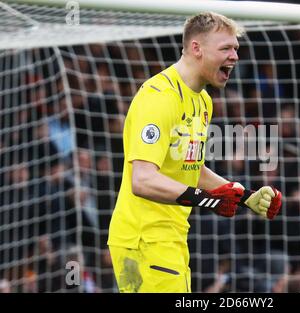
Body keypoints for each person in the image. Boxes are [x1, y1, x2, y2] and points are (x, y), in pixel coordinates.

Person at [107, 12, 282, 293]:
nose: (235, 56)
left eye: (236, 48)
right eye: (226, 48)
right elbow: (142, 180)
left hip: (168, 239)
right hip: (143, 241)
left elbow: (193, 169)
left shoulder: (203, 101)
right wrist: (209, 201)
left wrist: (245, 197)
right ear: (196, 49)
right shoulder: (159, 97)